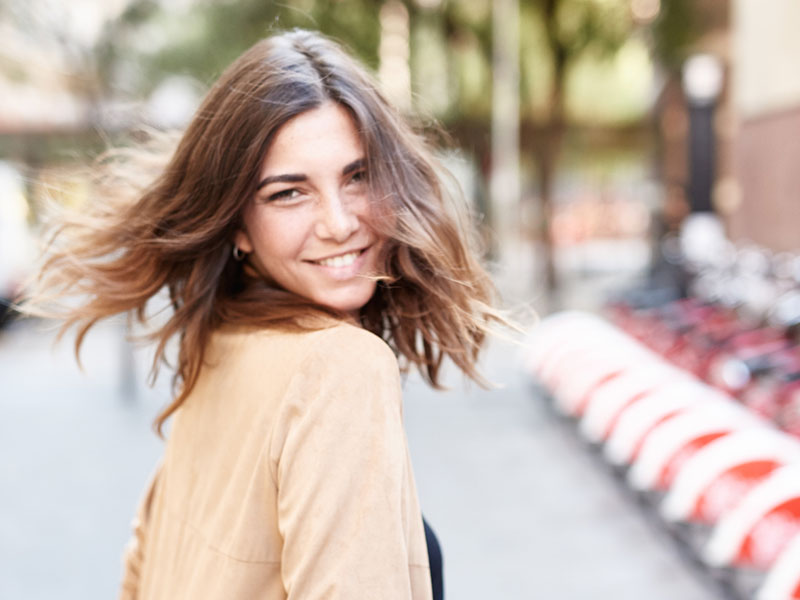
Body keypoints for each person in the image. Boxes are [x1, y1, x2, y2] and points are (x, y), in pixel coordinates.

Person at [24, 29, 502, 600]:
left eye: (358, 176)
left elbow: (140, 571)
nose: (339, 222)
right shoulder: (338, 367)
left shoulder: (223, 342)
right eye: (289, 193)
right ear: (238, 227)